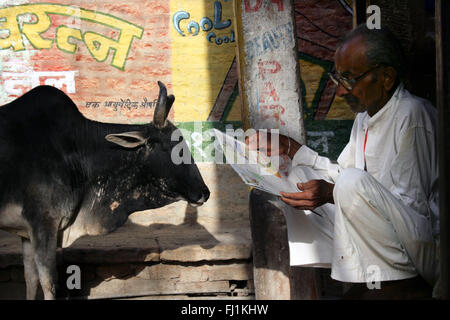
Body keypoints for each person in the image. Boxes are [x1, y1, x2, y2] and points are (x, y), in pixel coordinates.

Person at [246, 25, 440, 299]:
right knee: (297, 175)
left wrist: (333, 193)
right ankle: (367, 280)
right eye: (338, 78)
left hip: (423, 255)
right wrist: (292, 149)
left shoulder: (412, 115)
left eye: (349, 80)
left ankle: (394, 285)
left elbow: (411, 213)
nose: (340, 92)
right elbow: (344, 176)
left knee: (345, 185)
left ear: (386, 78)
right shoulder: (366, 116)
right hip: (385, 241)